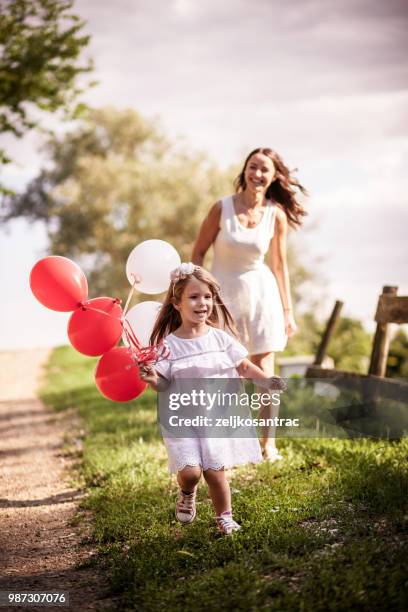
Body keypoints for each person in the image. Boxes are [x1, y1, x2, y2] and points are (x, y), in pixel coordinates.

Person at [140, 263, 285, 535]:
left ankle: (225, 519)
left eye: (207, 297)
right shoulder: (169, 346)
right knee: (192, 472)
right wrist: (153, 380)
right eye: (194, 297)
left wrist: (266, 380)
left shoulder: (220, 339)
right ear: (176, 302)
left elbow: (243, 366)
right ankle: (187, 491)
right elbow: (164, 384)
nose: (202, 303)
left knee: (216, 473)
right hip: (181, 419)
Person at [192, 148, 307, 462]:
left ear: (273, 178)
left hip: (262, 296)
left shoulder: (275, 215)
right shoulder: (221, 209)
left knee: (264, 370)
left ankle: (267, 444)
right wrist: (200, 289)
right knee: (224, 371)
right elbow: (199, 251)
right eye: (253, 167)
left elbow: (280, 266)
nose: (257, 174)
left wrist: (288, 312)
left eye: (264, 170)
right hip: (223, 298)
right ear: (244, 171)